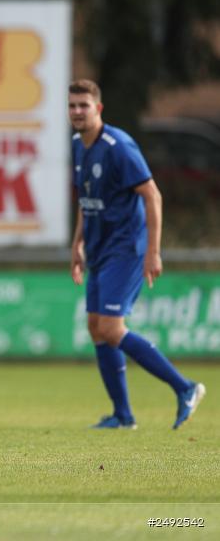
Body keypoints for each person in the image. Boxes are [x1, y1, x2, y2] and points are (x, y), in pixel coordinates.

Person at [68, 79, 206, 430]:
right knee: (96, 328)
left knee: (112, 328)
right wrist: (77, 243)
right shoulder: (77, 145)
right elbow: (86, 200)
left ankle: (185, 387)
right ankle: (123, 415)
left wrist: (153, 253)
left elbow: (152, 196)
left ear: (98, 109)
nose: (77, 112)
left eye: (84, 105)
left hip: (126, 248)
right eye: (72, 106)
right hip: (99, 249)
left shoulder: (119, 147)